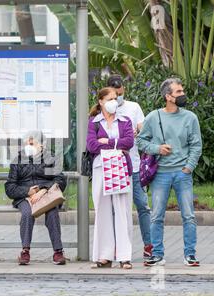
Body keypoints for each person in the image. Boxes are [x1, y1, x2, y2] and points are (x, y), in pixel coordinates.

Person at [137, 78, 202, 267]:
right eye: (178, 92)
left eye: (182, 91)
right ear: (168, 96)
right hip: (161, 175)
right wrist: (157, 148)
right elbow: (141, 141)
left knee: (188, 215)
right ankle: (157, 254)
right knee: (156, 215)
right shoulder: (153, 117)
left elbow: (196, 145)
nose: (182, 95)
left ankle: (190, 254)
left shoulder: (190, 118)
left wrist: (188, 167)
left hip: (183, 174)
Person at [86, 87, 135, 269]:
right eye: (110, 98)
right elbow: (91, 145)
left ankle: (124, 256)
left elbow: (128, 142)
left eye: (116, 98)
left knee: (122, 211)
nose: (115, 101)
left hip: (120, 168)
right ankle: (104, 255)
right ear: (101, 101)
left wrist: (107, 142)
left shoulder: (125, 120)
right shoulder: (94, 122)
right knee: (102, 211)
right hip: (101, 168)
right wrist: (116, 145)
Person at [107, 74, 153, 261]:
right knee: (114, 209)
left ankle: (149, 245)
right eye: (114, 93)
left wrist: (138, 131)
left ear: (124, 89)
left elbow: (144, 129)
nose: (118, 96)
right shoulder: (104, 109)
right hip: (113, 167)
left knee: (142, 205)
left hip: (133, 166)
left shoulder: (133, 107)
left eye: (120, 92)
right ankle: (115, 247)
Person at [5, 131, 67, 265]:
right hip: (25, 196)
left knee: (52, 212)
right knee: (27, 213)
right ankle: (25, 250)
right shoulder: (18, 160)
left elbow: (60, 180)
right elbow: (10, 187)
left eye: (32, 142)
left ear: (42, 145)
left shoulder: (50, 159)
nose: (29, 144)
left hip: (47, 194)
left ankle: (58, 251)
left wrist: (43, 189)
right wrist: (28, 191)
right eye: (27, 142)